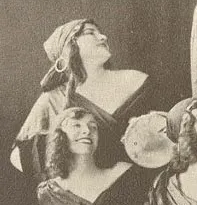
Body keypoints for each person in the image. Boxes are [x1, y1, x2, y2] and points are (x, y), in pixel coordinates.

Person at [11, 19, 152, 186]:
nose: (103, 37)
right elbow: (19, 156)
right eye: (90, 32)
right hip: (95, 190)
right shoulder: (55, 98)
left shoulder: (135, 79)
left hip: (144, 181)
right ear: (69, 47)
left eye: (100, 32)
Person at [37, 107, 156, 205]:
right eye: (76, 125)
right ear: (60, 136)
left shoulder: (124, 173)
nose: (87, 130)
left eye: (93, 127)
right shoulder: (51, 192)